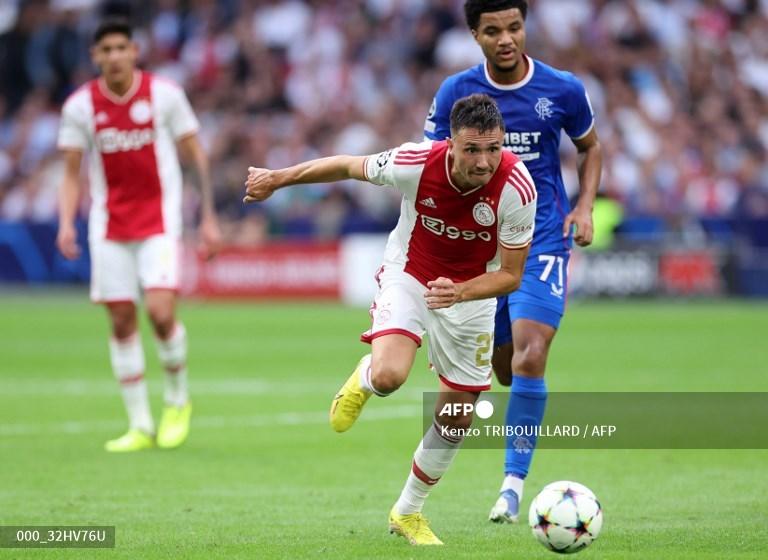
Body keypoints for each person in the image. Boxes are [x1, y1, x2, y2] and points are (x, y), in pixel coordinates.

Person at [244, 94, 537, 545]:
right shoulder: (414, 162)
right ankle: (364, 378)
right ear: (450, 144)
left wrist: (460, 291)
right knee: (389, 375)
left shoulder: (517, 187)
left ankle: (408, 511)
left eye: (493, 149)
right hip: (412, 274)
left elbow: (512, 276)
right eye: (472, 149)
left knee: (457, 416)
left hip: (471, 295)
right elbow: (346, 166)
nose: (484, 161)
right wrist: (278, 179)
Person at [424, 0, 603, 523]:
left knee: (530, 355)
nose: (507, 39)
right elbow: (433, 166)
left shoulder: (562, 89)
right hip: (482, 250)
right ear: (475, 36)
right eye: (494, 30)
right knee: (503, 371)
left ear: (526, 27)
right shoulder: (455, 93)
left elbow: (590, 147)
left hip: (543, 238)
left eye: (515, 27)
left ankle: (511, 486)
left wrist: (585, 205)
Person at [56, 19, 221, 452]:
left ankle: (177, 400)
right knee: (121, 319)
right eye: (105, 49)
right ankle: (140, 424)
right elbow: (71, 172)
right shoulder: (80, 106)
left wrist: (208, 216)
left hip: (159, 223)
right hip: (108, 226)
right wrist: (65, 222)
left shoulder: (165, 95)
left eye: (120, 48)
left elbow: (196, 154)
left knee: (162, 313)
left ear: (134, 50)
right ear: (95, 56)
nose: (113, 56)